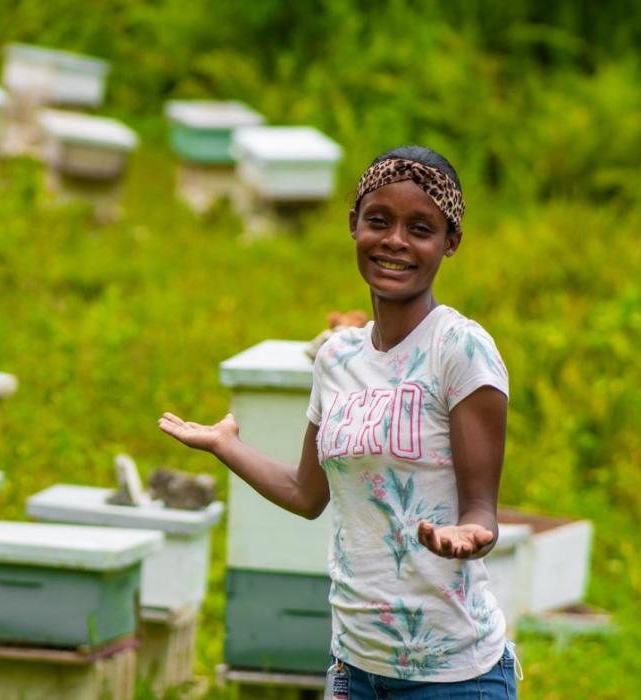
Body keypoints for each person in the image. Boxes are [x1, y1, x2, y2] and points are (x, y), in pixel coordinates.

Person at [159, 145, 520, 698]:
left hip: (453, 675)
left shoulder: (460, 348)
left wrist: (469, 534)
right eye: (379, 221)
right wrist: (224, 445)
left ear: (450, 242)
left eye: (420, 228)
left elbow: (479, 512)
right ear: (353, 226)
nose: (395, 240)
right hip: (353, 668)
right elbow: (307, 494)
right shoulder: (336, 357)